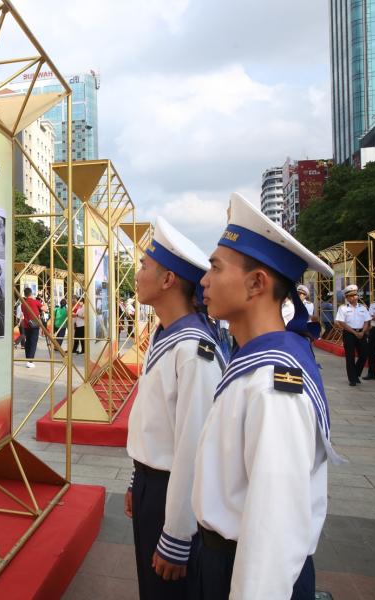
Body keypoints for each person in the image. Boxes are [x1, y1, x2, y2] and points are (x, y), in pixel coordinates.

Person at [192, 192, 343, 600]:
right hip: (225, 561)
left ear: (257, 283)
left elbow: (273, 532)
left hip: (248, 573)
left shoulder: (274, 382)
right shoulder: (256, 361)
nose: (204, 280)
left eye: (215, 268)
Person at [124, 217, 227, 600]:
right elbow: (158, 423)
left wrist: (177, 535)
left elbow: (193, 450)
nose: (136, 275)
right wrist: (138, 479)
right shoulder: (166, 335)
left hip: (175, 492)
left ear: (168, 280)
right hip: (154, 484)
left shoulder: (193, 351)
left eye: (144, 267)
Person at [335, 284, 371, 386]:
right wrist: (354, 332)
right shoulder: (343, 308)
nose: (354, 297)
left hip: (361, 333)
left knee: (364, 355)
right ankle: (352, 379)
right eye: (351, 296)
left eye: (355, 295)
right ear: (346, 297)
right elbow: (341, 323)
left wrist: (363, 332)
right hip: (349, 333)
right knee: (350, 357)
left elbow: (367, 321)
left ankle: (356, 374)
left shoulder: (363, 308)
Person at [21, 287, 46, 368]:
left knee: (27, 342)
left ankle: (27, 359)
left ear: (24, 295)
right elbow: (45, 310)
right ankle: (30, 361)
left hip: (26, 325)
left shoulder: (22, 304)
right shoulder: (36, 302)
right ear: (32, 293)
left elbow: (24, 312)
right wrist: (43, 301)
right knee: (33, 342)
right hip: (35, 325)